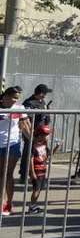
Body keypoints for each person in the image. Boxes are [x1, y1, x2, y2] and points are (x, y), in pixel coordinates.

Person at [0, 87, 30, 215]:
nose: (15, 100)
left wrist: (32, 141)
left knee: (8, 174)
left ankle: (8, 203)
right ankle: (2, 201)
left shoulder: (20, 108)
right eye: (13, 97)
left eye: (17, 98)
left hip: (13, 144)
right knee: (1, 174)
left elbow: (24, 126)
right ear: (5, 96)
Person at [20, 83, 51, 183]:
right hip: (32, 132)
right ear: (40, 93)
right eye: (44, 93)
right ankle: (24, 175)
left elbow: (46, 117)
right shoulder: (29, 103)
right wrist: (30, 134)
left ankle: (38, 176)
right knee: (28, 153)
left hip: (42, 133)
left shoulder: (42, 102)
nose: (45, 96)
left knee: (40, 154)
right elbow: (26, 120)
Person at [27, 125, 58, 214]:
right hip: (36, 170)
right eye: (45, 135)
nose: (46, 137)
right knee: (36, 189)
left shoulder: (44, 145)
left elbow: (49, 155)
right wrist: (32, 172)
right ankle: (31, 207)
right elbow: (31, 159)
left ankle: (34, 205)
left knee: (40, 189)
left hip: (43, 170)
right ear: (39, 135)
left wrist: (57, 147)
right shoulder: (33, 145)